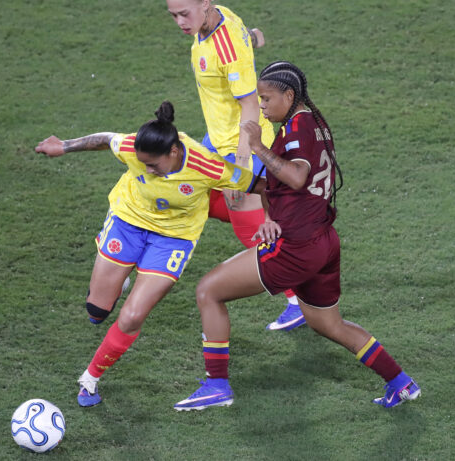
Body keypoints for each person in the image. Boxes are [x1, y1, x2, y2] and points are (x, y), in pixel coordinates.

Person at [173, 62, 421, 411]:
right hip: (322, 240)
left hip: (297, 247)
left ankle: (217, 386)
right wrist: (270, 216)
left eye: (266, 99)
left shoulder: (297, 129)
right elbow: (276, 184)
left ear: (288, 95)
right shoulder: (310, 122)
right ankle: (400, 382)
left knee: (208, 291)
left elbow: (295, 177)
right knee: (328, 324)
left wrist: (257, 147)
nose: (260, 106)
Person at [35, 101, 262, 407]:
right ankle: (121, 279)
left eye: (153, 165)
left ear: (174, 152)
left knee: (132, 316)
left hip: (173, 239)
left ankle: (89, 379)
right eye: (143, 164)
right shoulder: (134, 148)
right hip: (128, 221)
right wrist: (64, 146)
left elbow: (262, 185)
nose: (148, 170)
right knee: (96, 312)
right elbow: (105, 139)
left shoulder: (206, 166)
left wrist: (283, 209)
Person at [166, 0, 305, 331]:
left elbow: (249, 105)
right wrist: (254, 38)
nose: (179, 22)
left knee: (247, 226)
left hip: (238, 144)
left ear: (205, 4)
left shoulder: (223, 40)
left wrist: (241, 163)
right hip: (217, 138)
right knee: (178, 187)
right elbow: (244, 36)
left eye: (184, 13)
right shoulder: (216, 19)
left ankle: (298, 297)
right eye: (173, 15)